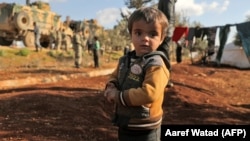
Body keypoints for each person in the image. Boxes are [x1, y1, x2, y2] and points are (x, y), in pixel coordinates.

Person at [103, 7, 170, 141]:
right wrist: (111, 86)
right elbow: (115, 76)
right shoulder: (124, 60)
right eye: (138, 33)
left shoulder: (156, 64)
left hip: (146, 128)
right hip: (126, 123)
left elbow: (149, 93)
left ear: (162, 38)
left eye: (152, 34)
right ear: (131, 35)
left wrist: (118, 96)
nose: (145, 38)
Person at [157, 0, 177, 87]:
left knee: (163, 53)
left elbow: (169, 17)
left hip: (165, 31)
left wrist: (165, 31)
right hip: (164, 30)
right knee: (161, 53)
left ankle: (166, 79)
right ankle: (161, 77)